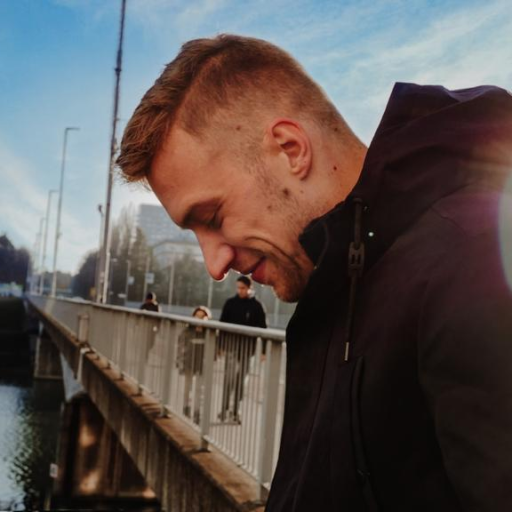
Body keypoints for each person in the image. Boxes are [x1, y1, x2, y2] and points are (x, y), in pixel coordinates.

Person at [117, 34, 512, 511]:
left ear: (291, 150)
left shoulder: (476, 263)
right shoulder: (339, 279)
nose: (214, 266)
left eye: (213, 217)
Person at [218, 275, 266, 422]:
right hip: (231, 348)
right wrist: (220, 346)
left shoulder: (257, 306)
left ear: (250, 288)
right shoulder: (230, 303)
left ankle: (235, 411)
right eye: (238, 288)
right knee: (229, 379)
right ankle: (224, 410)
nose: (240, 290)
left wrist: (263, 351)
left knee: (241, 382)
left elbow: (263, 328)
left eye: (243, 288)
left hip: (247, 350)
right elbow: (222, 325)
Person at [177, 305, 212, 423]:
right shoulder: (187, 331)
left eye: (202, 317)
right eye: (197, 316)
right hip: (189, 362)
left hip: (202, 363)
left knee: (199, 390)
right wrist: (179, 361)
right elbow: (180, 346)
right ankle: (186, 408)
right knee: (188, 387)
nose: (199, 319)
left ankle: (197, 412)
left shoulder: (210, 332)